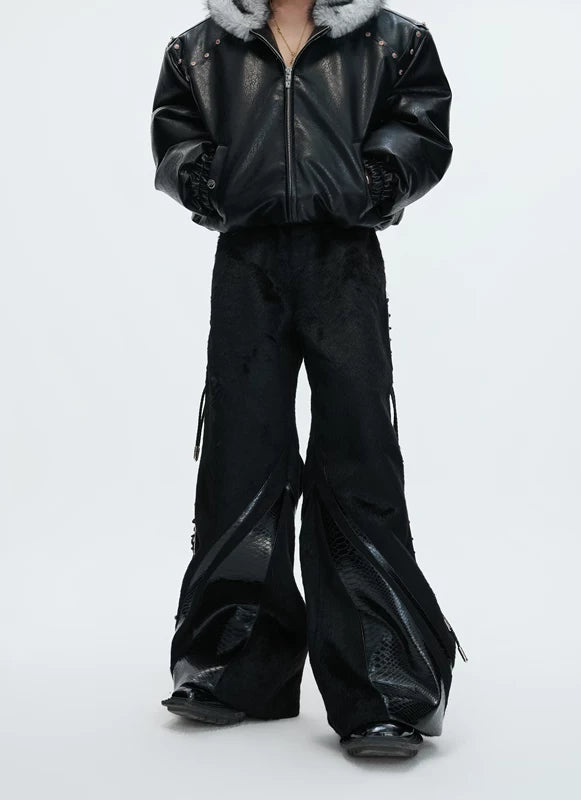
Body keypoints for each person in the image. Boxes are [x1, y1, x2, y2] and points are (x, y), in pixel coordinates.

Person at [150, 0, 466, 759]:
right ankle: (236, 669)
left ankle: (383, 689)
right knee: (240, 452)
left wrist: (372, 181)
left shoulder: (394, 41)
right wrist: (212, 182)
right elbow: (174, 135)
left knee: (357, 454)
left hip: (343, 259)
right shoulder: (198, 49)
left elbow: (422, 128)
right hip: (248, 261)